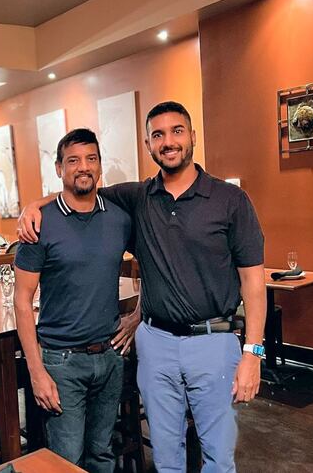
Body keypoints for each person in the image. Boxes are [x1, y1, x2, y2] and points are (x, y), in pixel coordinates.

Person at [18, 101, 266, 472]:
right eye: (158, 135)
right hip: (156, 345)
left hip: (213, 342)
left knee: (218, 457)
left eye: (177, 131)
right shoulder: (137, 198)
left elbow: (254, 283)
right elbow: (81, 192)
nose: (168, 142)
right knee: (165, 457)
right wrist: (35, 205)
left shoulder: (230, 200)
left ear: (192, 136)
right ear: (148, 144)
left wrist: (253, 354)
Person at [13, 128, 137, 473]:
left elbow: (155, 265)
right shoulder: (39, 225)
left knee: (103, 455)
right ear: (59, 168)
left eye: (91, 158)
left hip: (110, 356)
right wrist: (36, 372)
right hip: (61, 362)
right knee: (67, 461)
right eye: (73, 160)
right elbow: (21, 302)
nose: (83, 167)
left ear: (100, 165)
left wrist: (138, 315)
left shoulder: (120, 218)